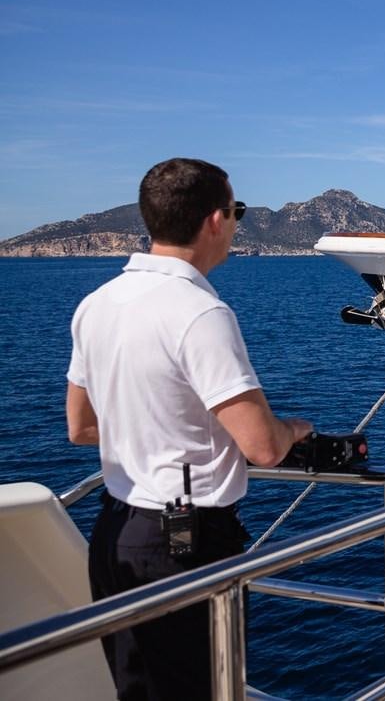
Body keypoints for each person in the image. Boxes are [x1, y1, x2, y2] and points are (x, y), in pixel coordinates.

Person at [66, 158, 313, 699]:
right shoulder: (201, 313)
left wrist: (153, 435)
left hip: (115, 535)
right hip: (183, 544)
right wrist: (295, 428)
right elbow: (264, 447)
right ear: (215, 221)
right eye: (237, 211)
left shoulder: (96, 304)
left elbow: (81, 427)